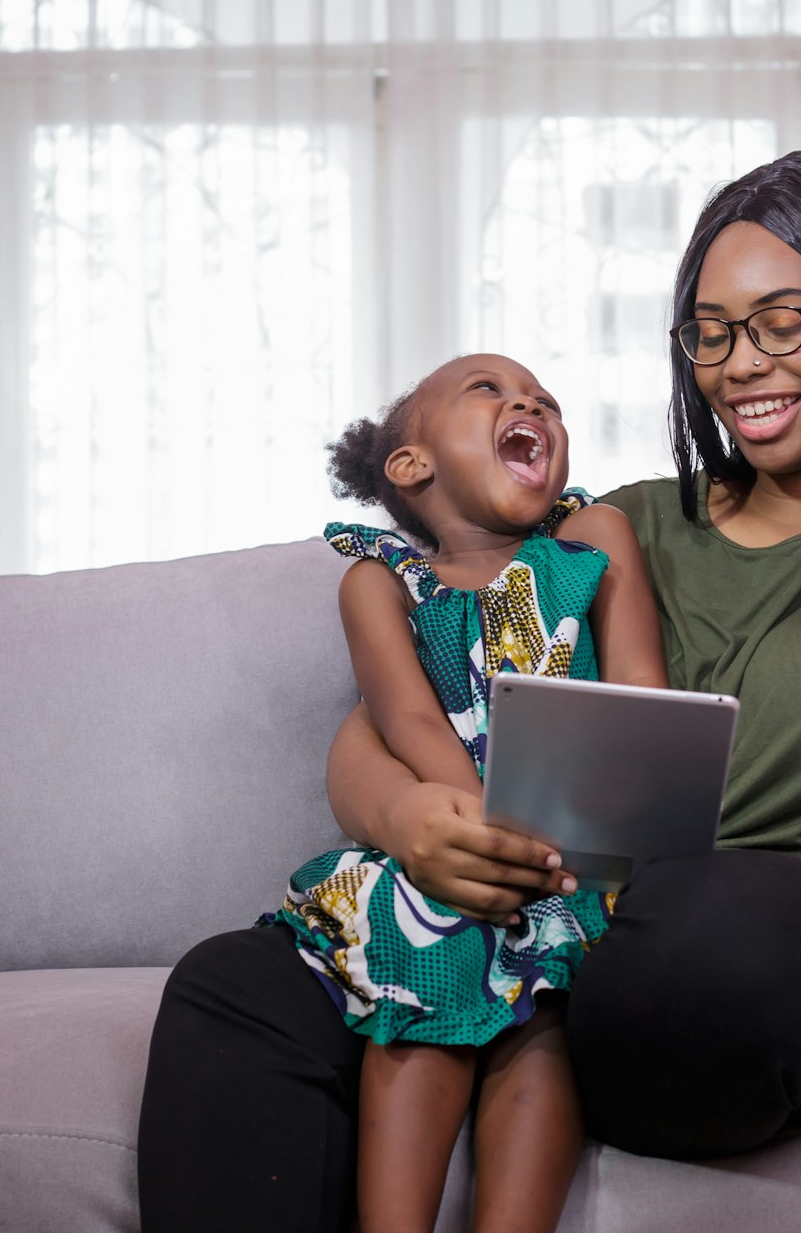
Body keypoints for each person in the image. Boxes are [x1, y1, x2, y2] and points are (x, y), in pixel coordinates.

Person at [136, 149, 801, 1231]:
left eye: (780, 322)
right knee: (234, 986)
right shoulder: (615, 529)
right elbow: (404, 709)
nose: (739, 365)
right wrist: (409, 819)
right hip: (594, 937)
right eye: (711, 333)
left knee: (704, 928)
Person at [260, 353, 666, 1233]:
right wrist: (489, 827)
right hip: (452, 840)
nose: (529, 401)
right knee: (423, 965)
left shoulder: (591, 540)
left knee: (551, 1007)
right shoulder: (379, 582)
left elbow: (640, 689)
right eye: (488, 389)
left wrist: (615, 827)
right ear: (412, 464)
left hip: (572, 852)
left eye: (545, 401)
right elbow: (403, 718)